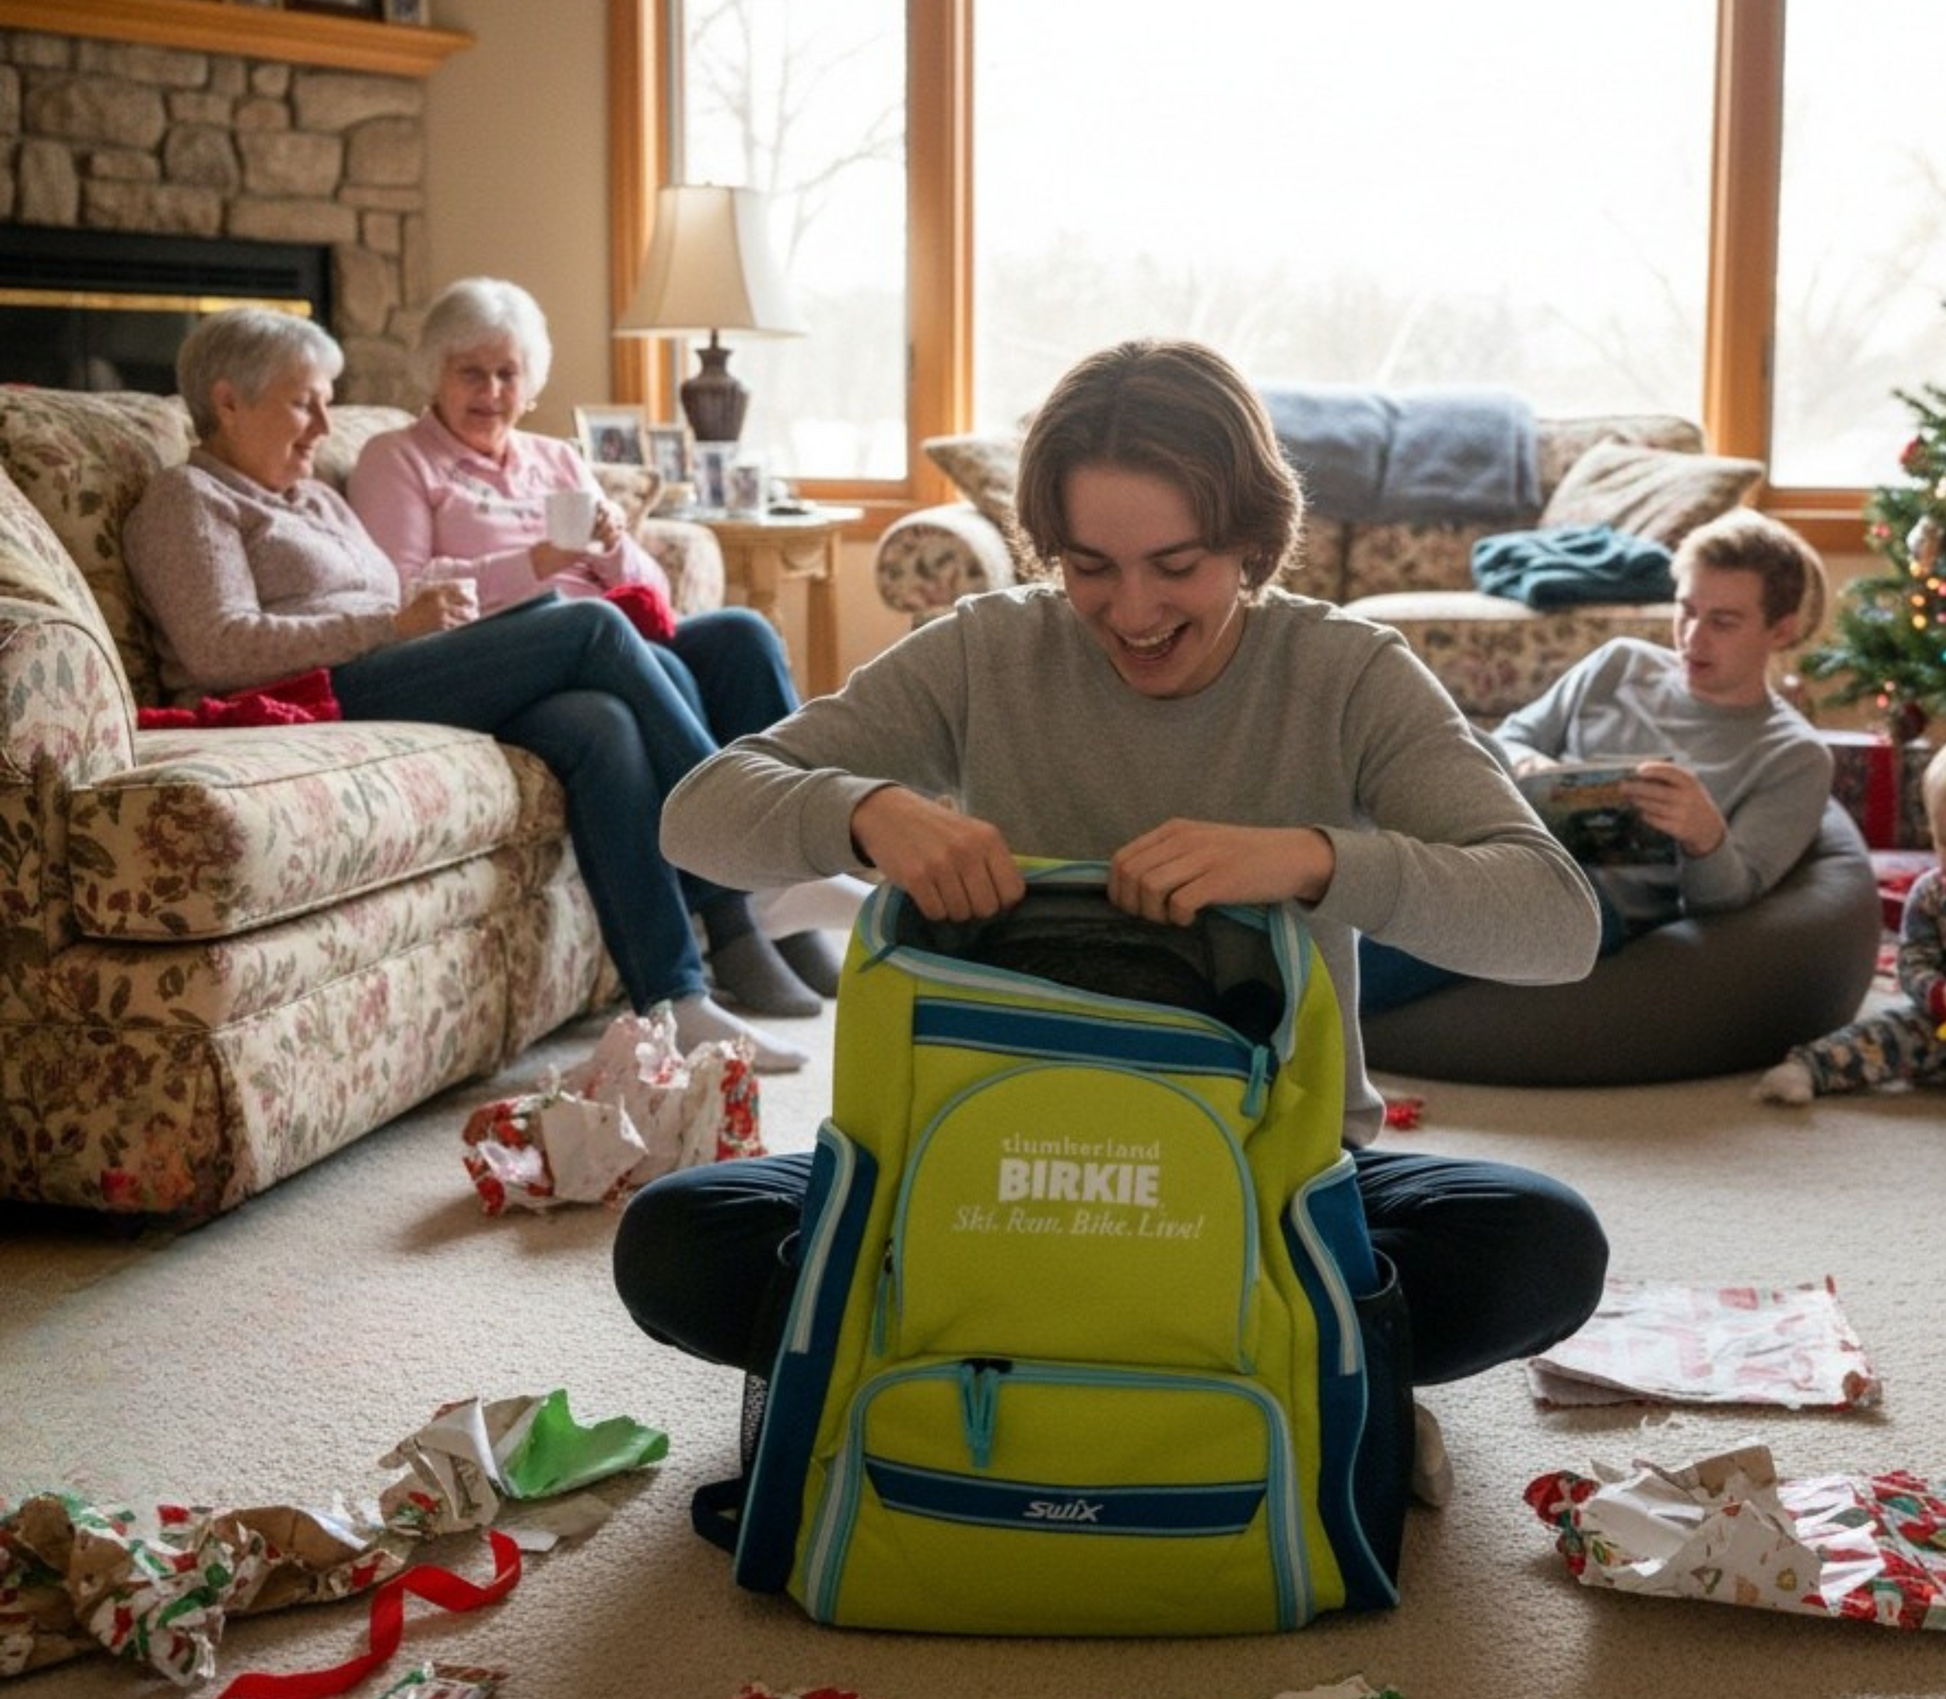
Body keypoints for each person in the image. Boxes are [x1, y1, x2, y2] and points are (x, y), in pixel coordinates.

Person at [613, 337, 1609, 1487]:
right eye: (1089, 566)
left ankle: (1028, 1360)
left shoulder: (1346, 675)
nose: (1130, 610)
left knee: (1540, 1242)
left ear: (1248, 538)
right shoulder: (992, 650)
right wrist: (868, 811)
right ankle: (1300, 1370)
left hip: (1259, 1183)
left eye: (1174, 564)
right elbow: (696, 814)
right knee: (672, 1239)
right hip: (985, 1172)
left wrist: (1308, 859)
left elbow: (1554, 923)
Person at [122, 305, 828, 1074]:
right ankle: (754, 856)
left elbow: (399, 591)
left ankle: (674, 998)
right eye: (306, 401)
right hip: (307, 694)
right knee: (588, 628)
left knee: (599, 722)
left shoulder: (313, 498)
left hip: (388, 664)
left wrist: (427, 613)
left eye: (328, 400)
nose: (325, 425)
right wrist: (392, 624)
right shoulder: (188, 500)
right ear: (228, 401)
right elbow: (220, 647)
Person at [347, 276, 863, 1004]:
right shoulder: (398, 460)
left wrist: (617, 547)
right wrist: (537, 566)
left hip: (605, 649)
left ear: (531, 383)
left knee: (741, 636)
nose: (491, 390)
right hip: (503, 665)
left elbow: (652, 594)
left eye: (508, 373)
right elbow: (405, 596)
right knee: (618, 672)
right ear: (434, 373)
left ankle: (780, 899)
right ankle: (753, 880)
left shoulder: (554, 460)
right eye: (471, 372)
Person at [1358, 506, 1835, 1013]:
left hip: (1584, 898)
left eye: (1723, 622)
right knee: (1414, 732)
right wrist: (1531, 767)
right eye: (1686, 610)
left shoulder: (1793, 755)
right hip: (1502, 830)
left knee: (1415, 922)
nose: (1693, 637)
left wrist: (1705, 837)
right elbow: (1512, 737)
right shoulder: (1622, 662)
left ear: (1780, 631)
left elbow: (1726, 905)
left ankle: (1298, 1015)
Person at [1757, 741, 1946, 1104]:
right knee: (1887, 1033)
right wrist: (1936, 993)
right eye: (1944, 842)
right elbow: (1913, 961)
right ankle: (1811, 1069)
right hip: (1938, 1024)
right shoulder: (1931, 894)